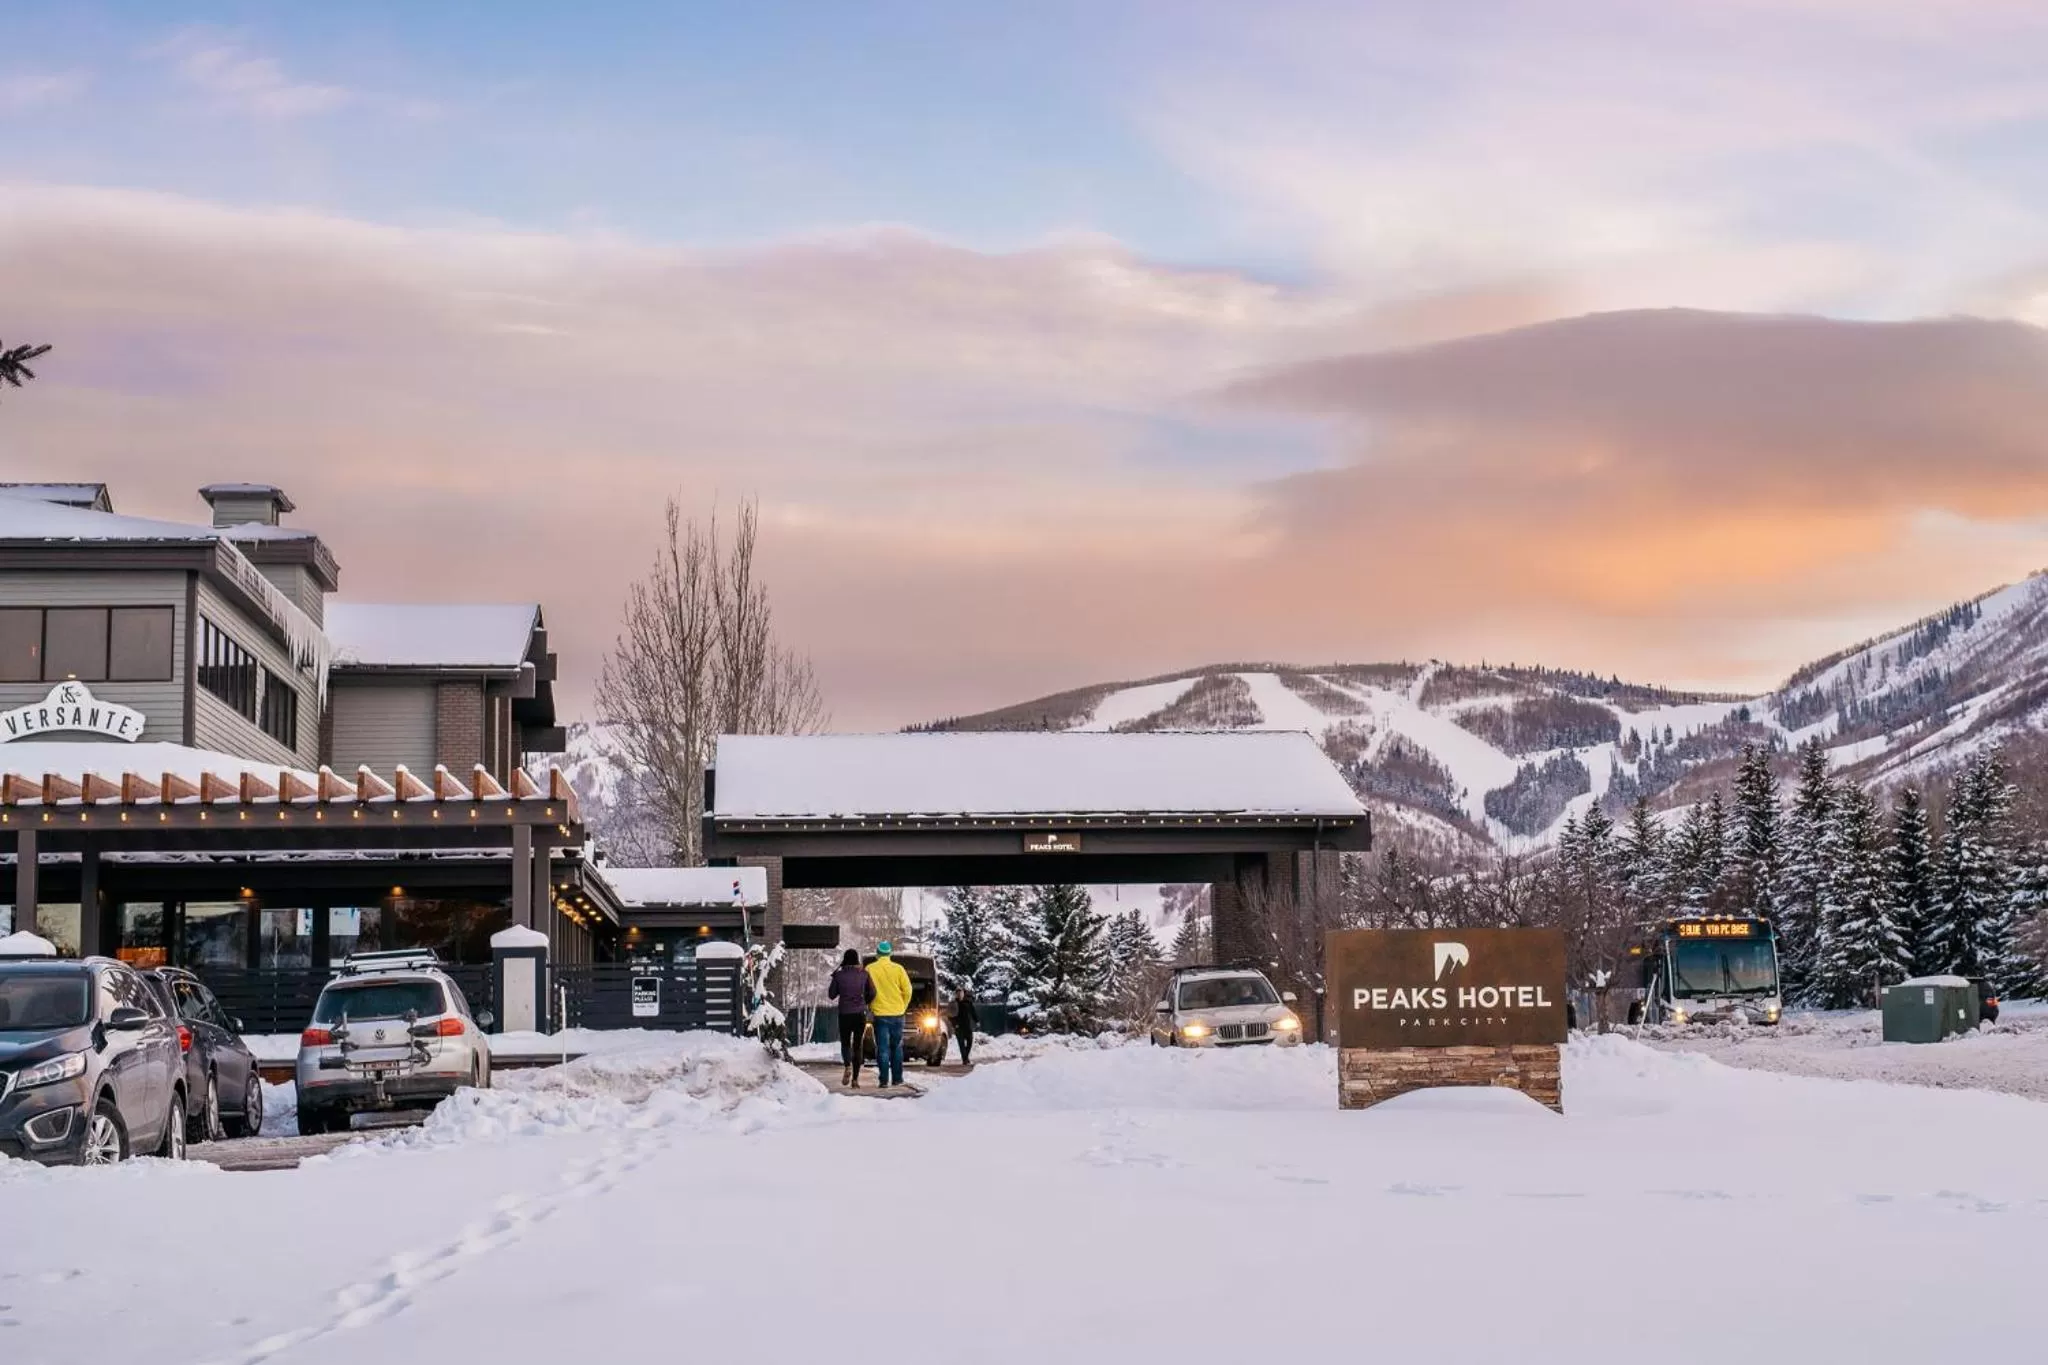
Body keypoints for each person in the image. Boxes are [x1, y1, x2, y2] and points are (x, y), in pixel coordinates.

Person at [866, 941, 914, 1089]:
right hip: (898, 1014)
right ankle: (898, 1079)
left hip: (880, 1014)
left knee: (883, 1048)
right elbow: (908, 991)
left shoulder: (870, 969)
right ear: (890, 954)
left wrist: (871, 1006)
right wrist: (902, 1006)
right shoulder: (898, 969)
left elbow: (867, 991)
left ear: (877, 954)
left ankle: (883, 1080)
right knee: (897, 1047)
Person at [827, 949, 874, 1088]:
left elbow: (831, 995)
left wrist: (835, 976)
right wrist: (864, 1002)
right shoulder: (864, 974)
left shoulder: (839, 975)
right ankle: (855, 1080)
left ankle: (847, 1065)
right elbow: (873, 992)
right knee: (858, 1045)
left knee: (846, 1043)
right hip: (860, 1014)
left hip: (844, 1014)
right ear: (857, 960)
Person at [952, 984, 978, 1067]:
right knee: (961, 1044)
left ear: (963, 993)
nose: (959, 994)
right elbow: (950, 1016)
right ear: (956, 994)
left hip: (967, 1026)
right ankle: (965, 1060)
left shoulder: (968, 1002)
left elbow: (973, 1012)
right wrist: (954, 1024)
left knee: (970, 1042)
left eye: (961, 992)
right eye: (957, 992)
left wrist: (977, 1021)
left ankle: (965, 1057)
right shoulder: (954, 1003)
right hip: (958, 1027)